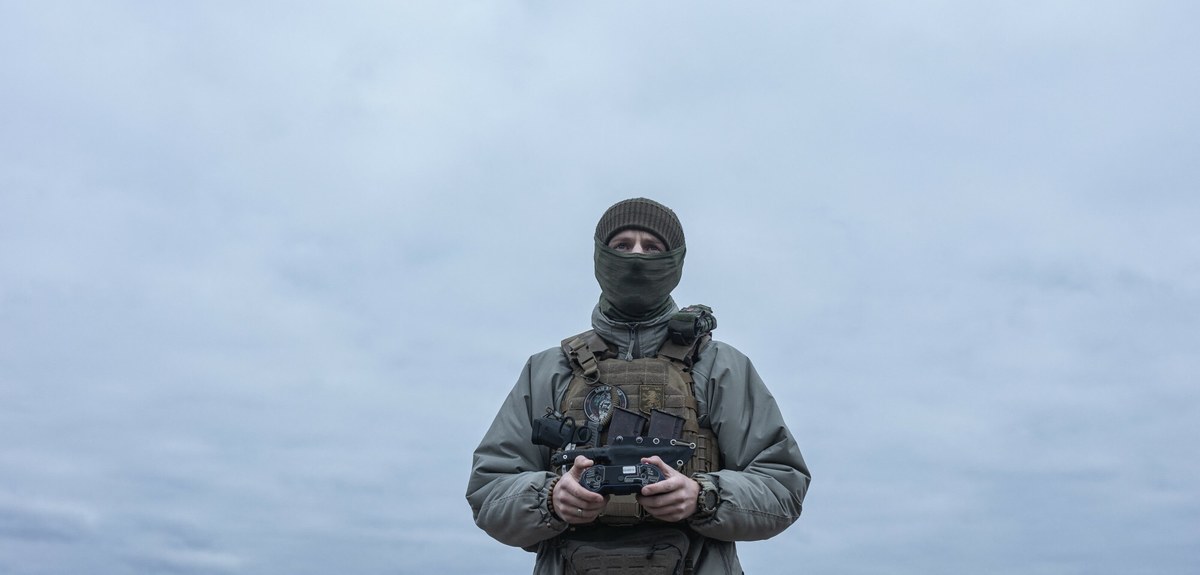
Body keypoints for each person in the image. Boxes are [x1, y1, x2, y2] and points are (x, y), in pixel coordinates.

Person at [466, 198, 810, 574]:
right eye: (622, 245)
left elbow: (783, 486)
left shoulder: (720, 366)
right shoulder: (549, 370)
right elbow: (489, 491)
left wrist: (703, 497)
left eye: (652, 247)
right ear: (601, 257)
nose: (635, 257)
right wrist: (551, 499)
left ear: (674, 261)